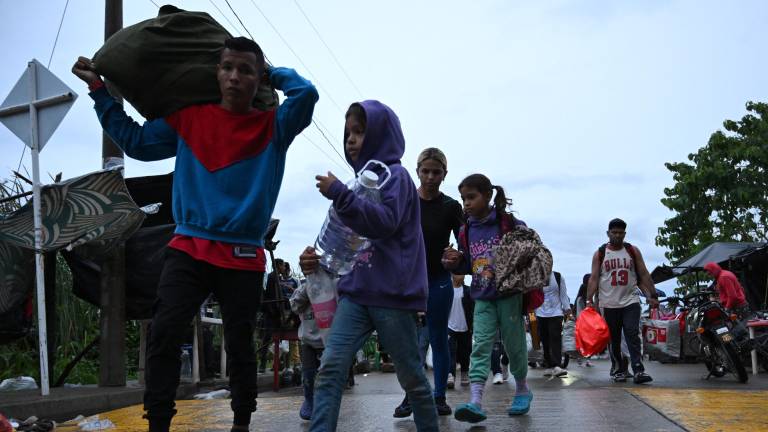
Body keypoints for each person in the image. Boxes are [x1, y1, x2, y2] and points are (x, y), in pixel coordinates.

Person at [72, 37, 318, 432]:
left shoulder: (274, 126)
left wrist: (273, 72)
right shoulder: (189, 119)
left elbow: (306, 94)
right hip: (189, 246)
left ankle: (241, 423)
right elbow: (135, 141)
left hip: (242, 254)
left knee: (240, 343)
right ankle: (158, 423)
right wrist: (99, 92)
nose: (234, 76)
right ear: (216, 74)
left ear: (258, 79)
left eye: (246, 70)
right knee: (164, 332)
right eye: (227, 68)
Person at [300, 101, 438, 432]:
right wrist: (317, 262)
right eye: (348, 132)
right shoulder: (360, 182)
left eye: (360, 132)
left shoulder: (396, 177)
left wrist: (340, 194)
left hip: (392, 296)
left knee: (411, 378)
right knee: (330, 368)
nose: (350, 139)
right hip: (356, 293)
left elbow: (384, 223)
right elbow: (348, 244)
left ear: (380, 135)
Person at [442, 174, 532, 423]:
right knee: (480, 345)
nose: (466, 203)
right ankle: (475, 400)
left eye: (471, 197)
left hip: (509, 295)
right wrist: (454, 262)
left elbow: (530, 250)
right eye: (463, 199)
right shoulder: (466, 230)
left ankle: (522, 389)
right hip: (482, 297)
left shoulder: (509, 223)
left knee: (514, 344)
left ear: (488, 195)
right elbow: (469, 265)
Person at [393, 147, 463, 418]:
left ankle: (439, 397)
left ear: (445, 174)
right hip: (407, 281)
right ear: (417, 171)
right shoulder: (405, 202)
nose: (431, 177)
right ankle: (411, 396)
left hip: (438, 280)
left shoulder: (451, 207)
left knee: (438, 338)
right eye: (426, 171)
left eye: (436, 172)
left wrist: (456, 256)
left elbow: (466, 242)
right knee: (408, 342)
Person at [586, 218, 659, 385]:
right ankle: (618, 369)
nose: (617, 236)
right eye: (614, 232)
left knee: (632, 333)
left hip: (630, 301)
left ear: (625, 234)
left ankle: (638, 369)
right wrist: (589, 300)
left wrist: (653, 294)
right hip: (608, 303)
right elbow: (594, 278)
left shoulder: (632, 250)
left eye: (620, 233)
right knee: (614, 339)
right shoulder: (600, 253)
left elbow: (643, 273)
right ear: (608, 233)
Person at [289, 281, 325, 420]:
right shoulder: (302, 289)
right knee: (308, 374)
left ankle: (324, 402)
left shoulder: (333, 286)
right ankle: (309, 400)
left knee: (326, 376)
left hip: (327, 340)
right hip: (308, 340)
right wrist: (306, 290)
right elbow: (294, 307)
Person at [535, 271, 571, 377]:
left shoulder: (558, 277)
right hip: (540, 312)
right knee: (544, 340)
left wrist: (567, 309)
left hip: (556, 312)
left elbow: (563, 295)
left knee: (555, 337)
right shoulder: (535, 276)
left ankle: (556, 365)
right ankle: (548, 365)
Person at [447, 274, 473, 388]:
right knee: (450, 351)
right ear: (452, 275)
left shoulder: (468, 291)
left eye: (462, 274)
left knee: (465, 352)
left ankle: (464, 373)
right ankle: (450, 375)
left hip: (465, 327)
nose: (461, 276)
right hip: (449, 326)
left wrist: (472, 325)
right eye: (458, 273)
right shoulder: (447, 289)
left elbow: (472, 308)